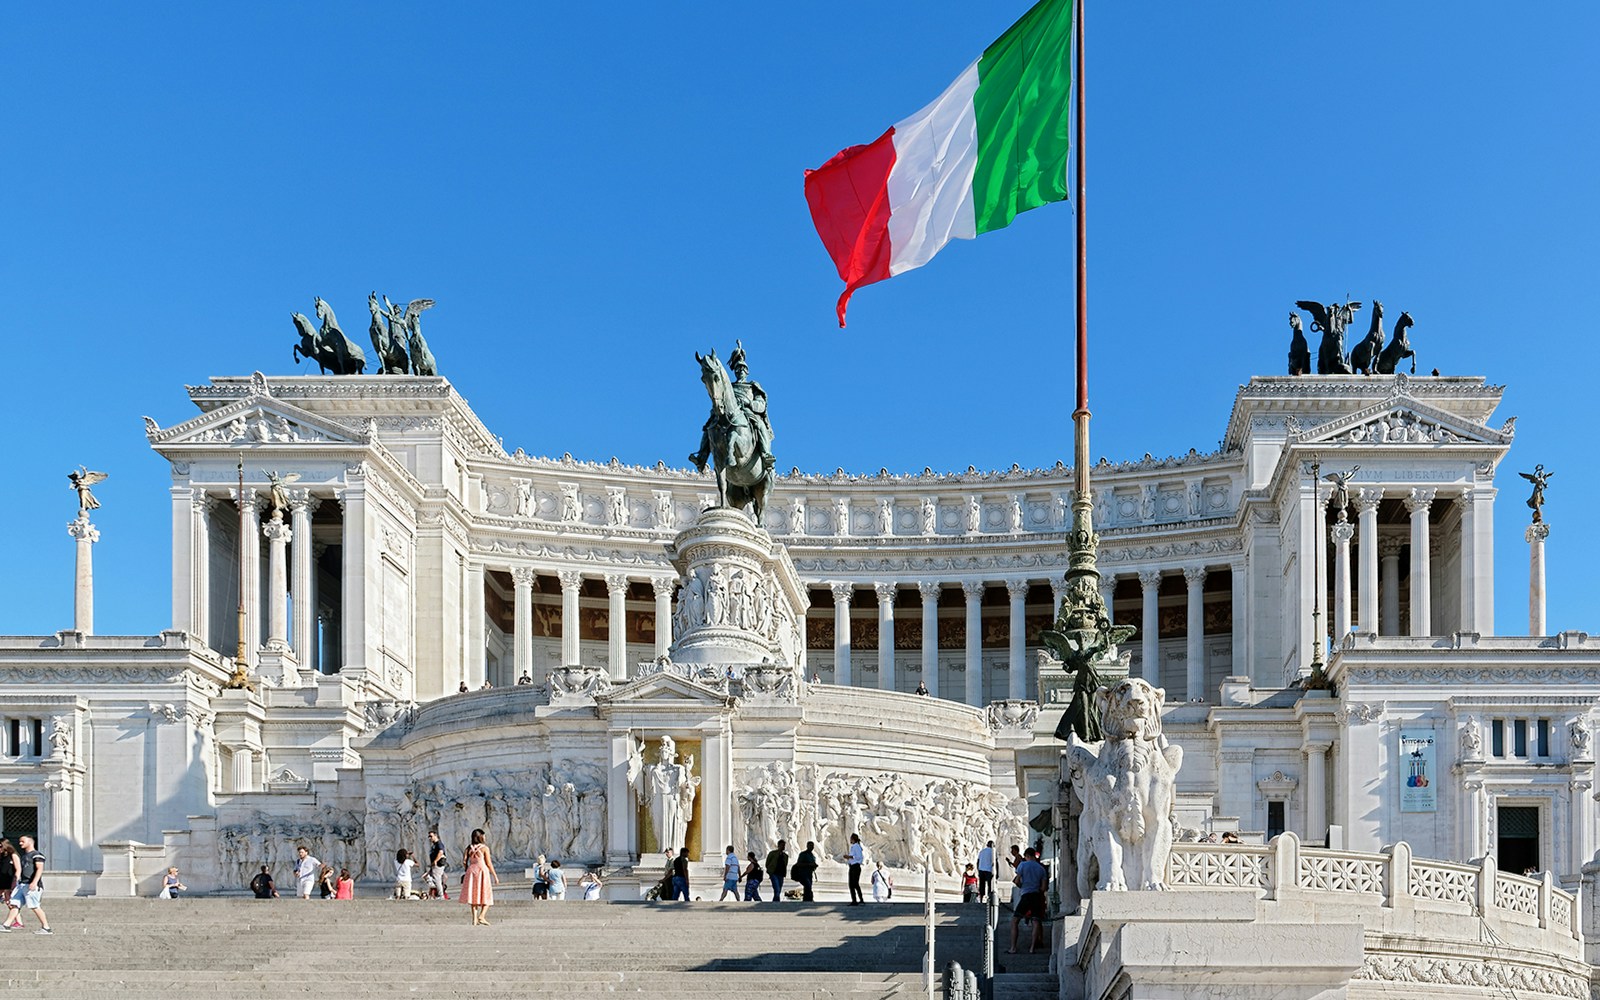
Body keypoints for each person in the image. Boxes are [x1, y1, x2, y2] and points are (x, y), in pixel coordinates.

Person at [3, 835, 50, 934]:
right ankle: (6, 925)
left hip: (31, 885)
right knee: (15, 903)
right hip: (22, 884)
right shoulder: (24, 856)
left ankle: (46, 927)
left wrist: (34, 882)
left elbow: (39, 869)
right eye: (19, 841)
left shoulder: (37, 855)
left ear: (30, 842)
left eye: (22, 841)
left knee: (34, 906)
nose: (20, 843)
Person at [1008, 847, 1048, 954]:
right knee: (1035, 921)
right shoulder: (1041, 869)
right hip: (1036, 896)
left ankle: (1013, 948)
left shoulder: (1022, 865)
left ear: (1027, 856)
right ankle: (1032, 947)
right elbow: (1043, 888)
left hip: (1025, 895)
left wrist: (1022, 886)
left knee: (1015, 921)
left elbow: (1017, 881)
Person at [461, 828, 499, 926]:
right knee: (486, 894)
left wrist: (467, 869)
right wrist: (495, 876)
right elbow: (489, 863)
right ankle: (482, 916)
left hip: (471, 871)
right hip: (482, 871)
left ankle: (474, 919)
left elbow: (464, 861)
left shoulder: (469, 848)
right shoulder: (484, 848)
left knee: (473, 895)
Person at [842, 833, 865, 905]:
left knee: (855, 884)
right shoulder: (854, 847)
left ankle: (860, 899)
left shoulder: (856, 846)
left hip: (855, 866)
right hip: (852, 866)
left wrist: (848, 857)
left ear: (853, 839)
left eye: (851, 838)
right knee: (852, 884)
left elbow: (858, 857)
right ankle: (854, 900)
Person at [427, 831, 449, 900]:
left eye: (431, 836)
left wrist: (435, 861)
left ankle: (440, 894)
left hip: (438, 864)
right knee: (440, 877)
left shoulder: (439, 844)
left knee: (437, 879)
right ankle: (440, 892)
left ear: (435, 835)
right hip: (436, 864)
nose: (430, 838)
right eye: (429, 837)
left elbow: (441, 852)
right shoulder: (434, 845)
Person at [0, 841, 16, 917]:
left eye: (0, 846)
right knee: (8, 901)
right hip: (2, 880)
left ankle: (18, 921)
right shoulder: (2, 856)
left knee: (9, 901)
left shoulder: (12, 855)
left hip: (8, 880)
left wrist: (16, 880)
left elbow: (18, 869)